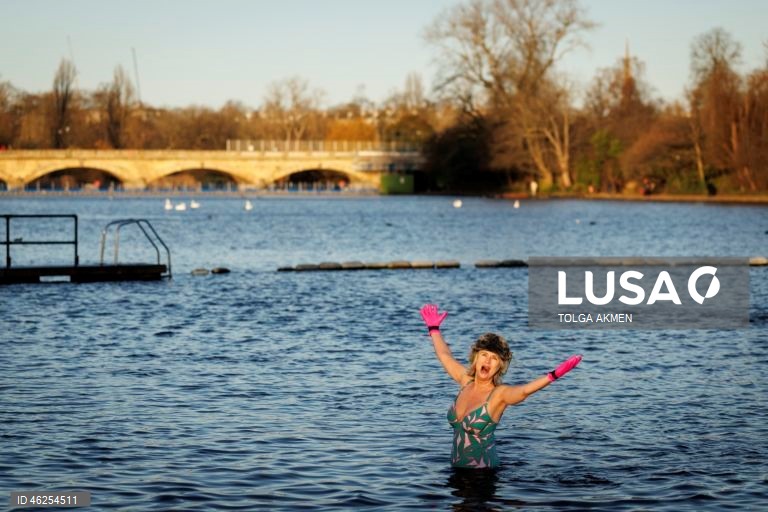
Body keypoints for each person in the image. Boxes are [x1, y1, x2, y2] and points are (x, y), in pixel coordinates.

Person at [419, 304, 582, 469]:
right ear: (475, 359)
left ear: (500, 366)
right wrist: (434, 329)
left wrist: (553, 375)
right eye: (484, 355)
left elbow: (524, 391)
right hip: (456, 475)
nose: (488, 361)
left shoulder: (498, 395)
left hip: (484, 478)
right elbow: (444, 356)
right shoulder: (465, 380)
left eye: (494, 358)